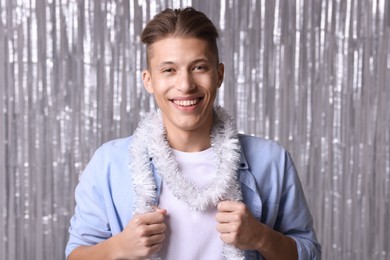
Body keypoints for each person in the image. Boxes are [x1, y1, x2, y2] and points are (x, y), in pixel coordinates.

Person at [65, 7, 321, 260]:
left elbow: (309, 254)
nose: (185, 85)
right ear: (148, 80)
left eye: (198, 67)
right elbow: (75, 255)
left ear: (219, 75)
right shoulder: (109, 164)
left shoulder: (272, 161)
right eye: (169, 70)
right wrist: (118, 248)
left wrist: (261, 238)